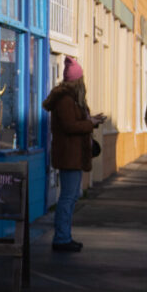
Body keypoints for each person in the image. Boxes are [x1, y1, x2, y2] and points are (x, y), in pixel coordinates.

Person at [42, 56, 105, 252]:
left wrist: (91, 119)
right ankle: (61, 238)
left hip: (74, 154)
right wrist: (90, 124)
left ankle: (64, 236)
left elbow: (74, 122)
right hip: (69, 155)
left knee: (71, 197)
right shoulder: (65, 100)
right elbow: (69, 126)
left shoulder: (70, 99)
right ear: (77, 80)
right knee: (68, 198)